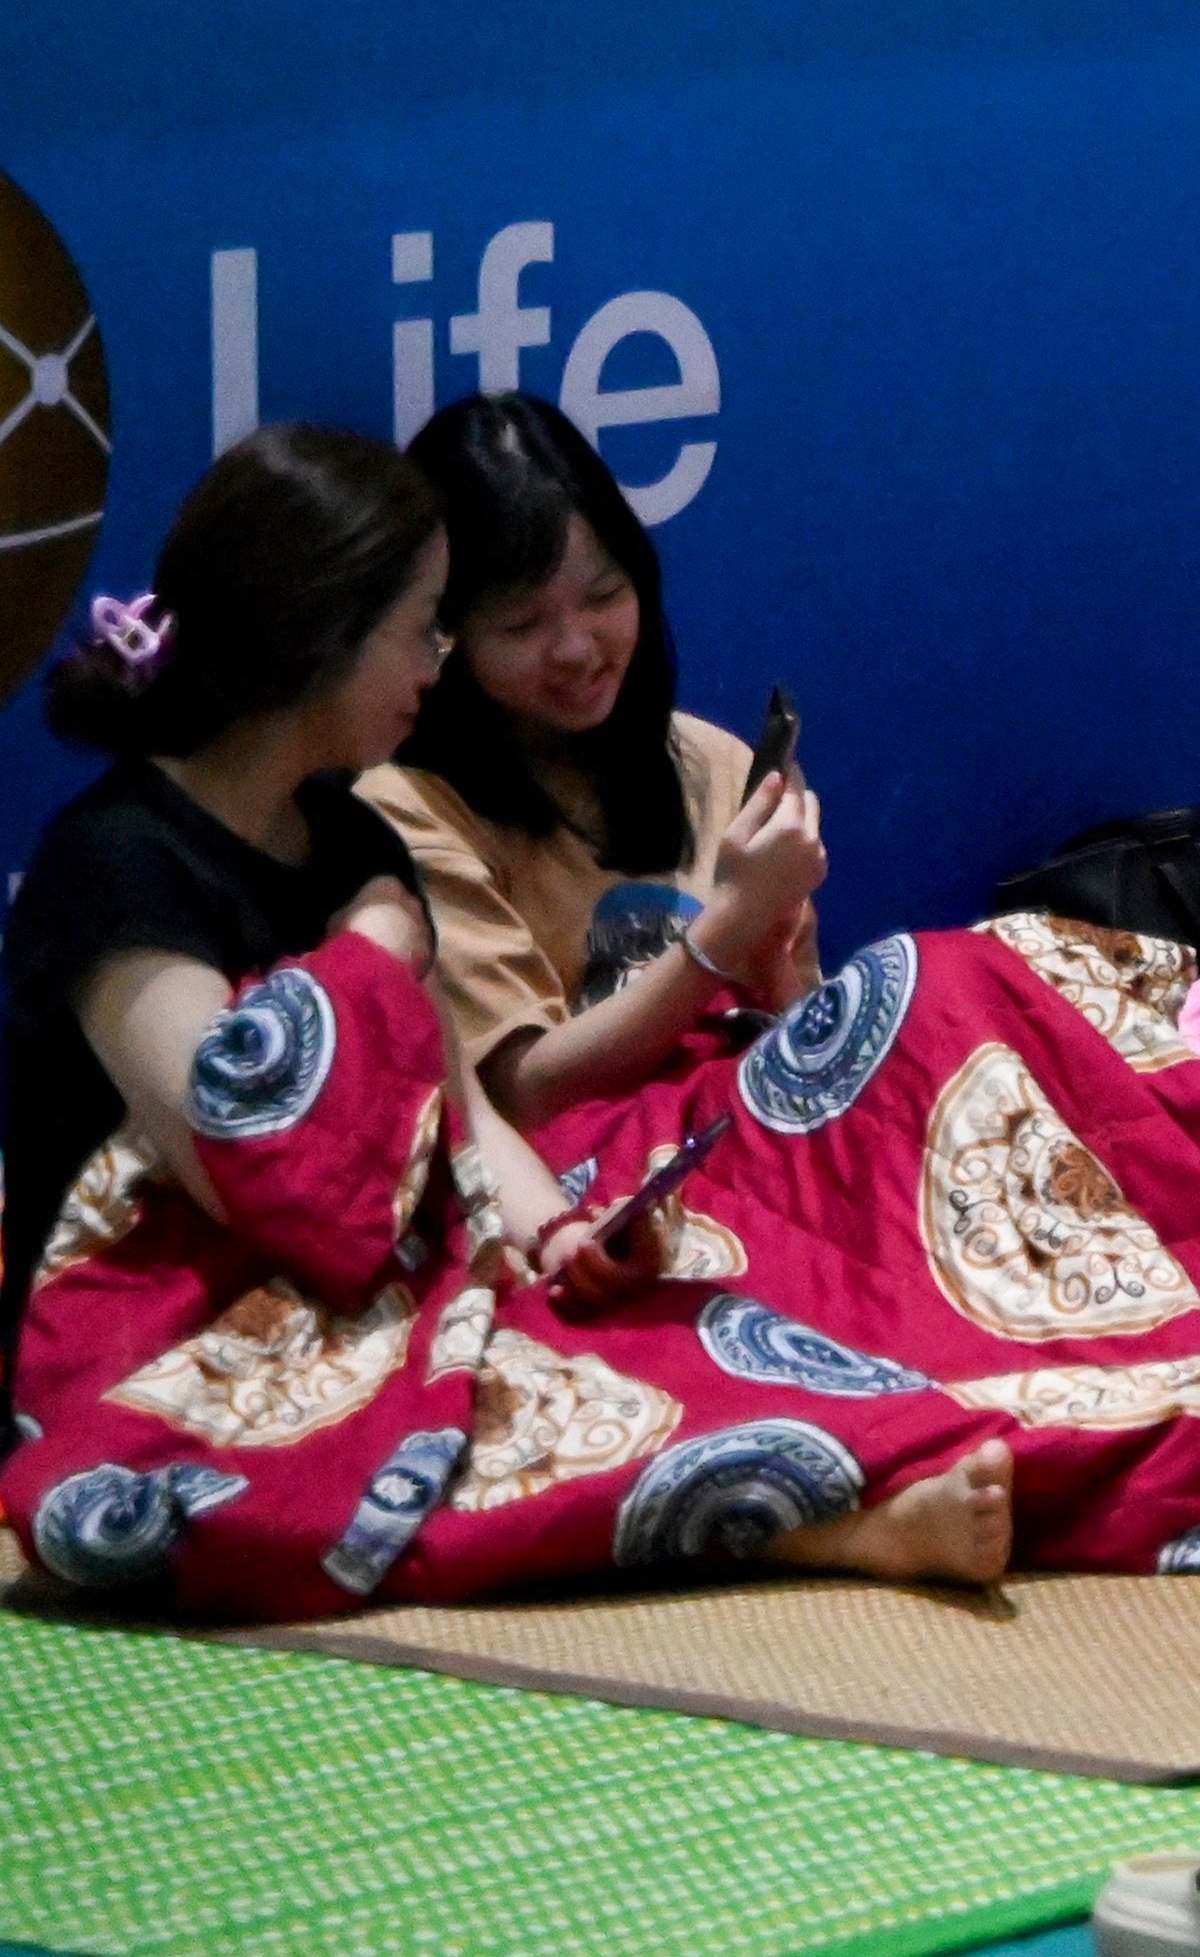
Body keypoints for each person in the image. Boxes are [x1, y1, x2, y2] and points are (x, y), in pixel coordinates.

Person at [1, 427, 1020, 1591]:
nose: (434, 664)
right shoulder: (118, 865)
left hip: (369, 1270)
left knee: (628, 1340)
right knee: (374, 1458)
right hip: (163, 1327)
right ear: (323, 639)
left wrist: (550, 1236)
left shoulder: (349, 832)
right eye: (424, 626)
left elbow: (461, 1108)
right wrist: (378, 947)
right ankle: (817, 1529)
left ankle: (857, 1482)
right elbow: (247, 1157)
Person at [355, 396, 823, 1136]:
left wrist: (770, 950)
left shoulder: (714, 763)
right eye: (522, 624)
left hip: (752, 1147)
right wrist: (729, 924)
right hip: (586, 1197)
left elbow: (804, 1058)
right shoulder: (407, 812)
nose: (576, 649)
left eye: (604, 595)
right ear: (445, 636)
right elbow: (525, 1094)